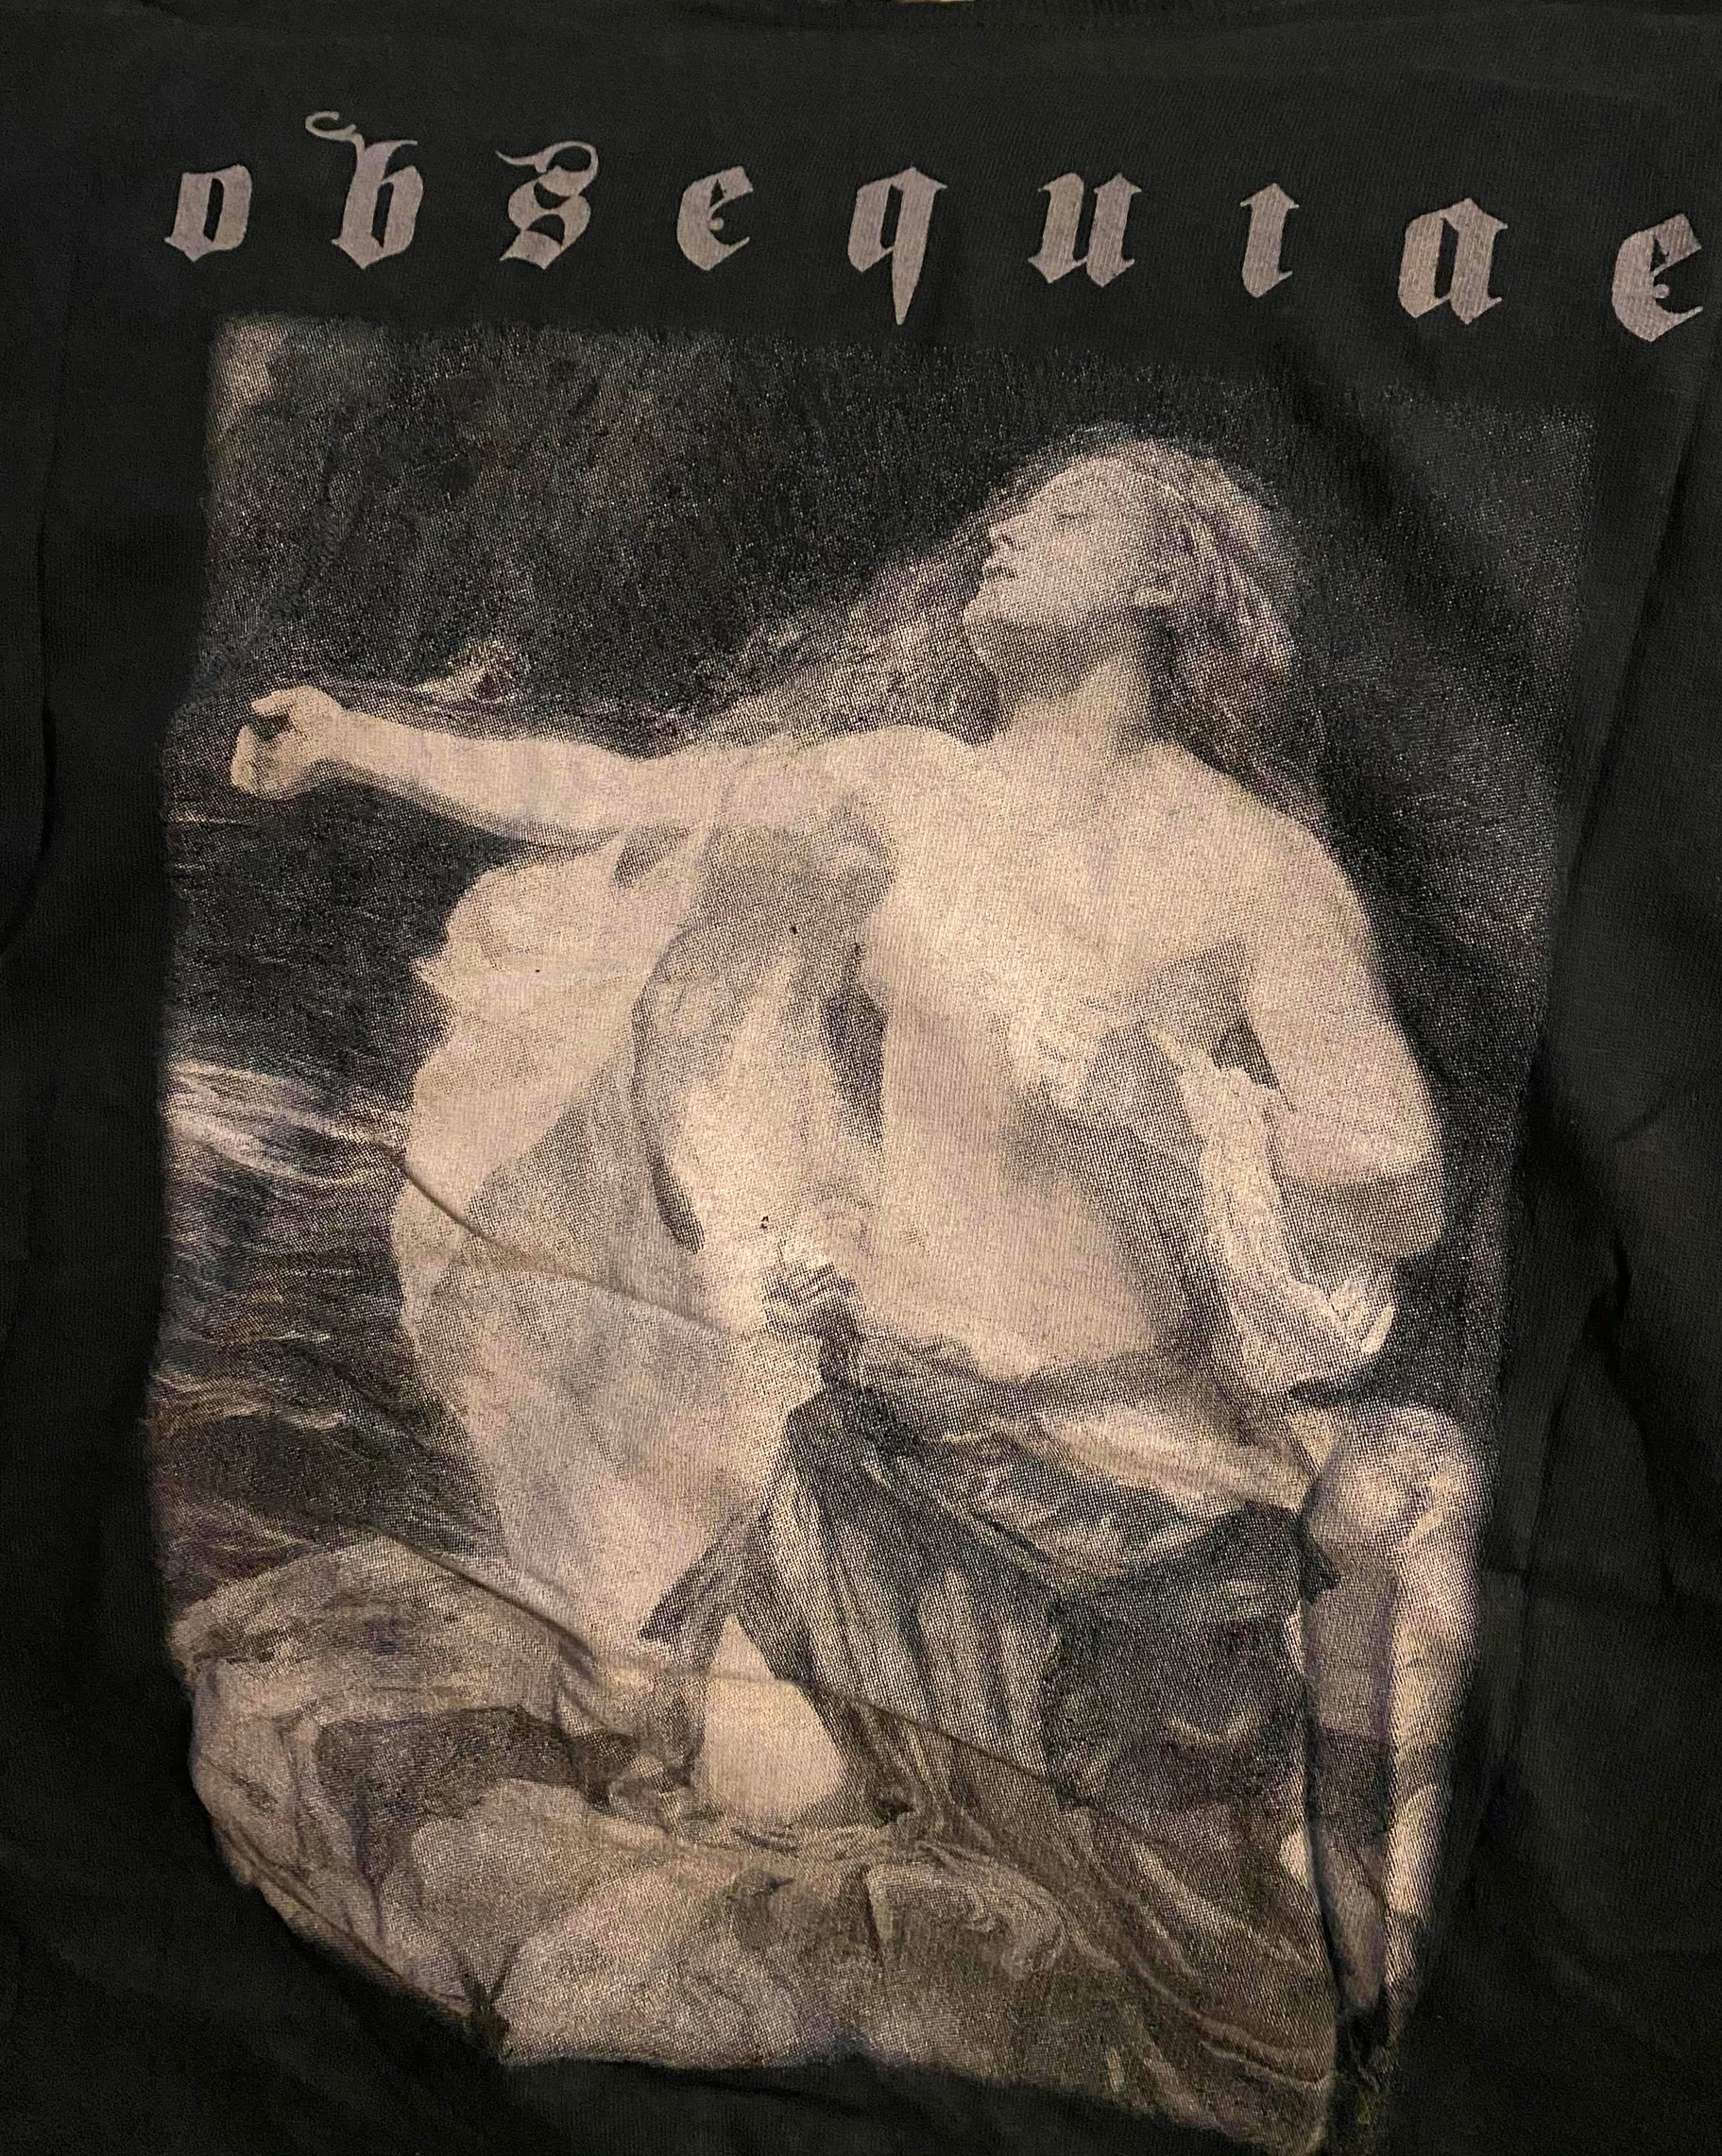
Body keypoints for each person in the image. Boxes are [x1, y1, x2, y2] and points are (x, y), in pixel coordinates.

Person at [230, 423, 1480, 2130]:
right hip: (874, 1470)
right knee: (745, 1818)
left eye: (1067, 516)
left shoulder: (1253, 867)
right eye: (1019, 508)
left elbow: (1399, 1177)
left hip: (1123, 1510)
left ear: (1162, 586)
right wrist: (356, 737)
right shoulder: (899, 784)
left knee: (1187, 1996)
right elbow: (622, 793)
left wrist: (1179, 1105)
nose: (1008, 533)